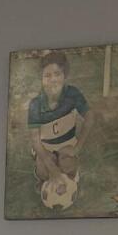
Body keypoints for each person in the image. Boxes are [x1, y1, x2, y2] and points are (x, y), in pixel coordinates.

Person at [26, 51, 91, 207]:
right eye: (47, 76)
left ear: (65, 75)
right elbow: (35, 140)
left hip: (66, 143)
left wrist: (77, 148)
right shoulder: (35, 104)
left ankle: (70, 178)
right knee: (44, 169)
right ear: (41, 79)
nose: (52, 79)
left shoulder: (72, 94)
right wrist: (51, 167)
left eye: (57, 74)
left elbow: (90, 117)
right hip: (45, 147)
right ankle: (45, 181)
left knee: (67, 161)